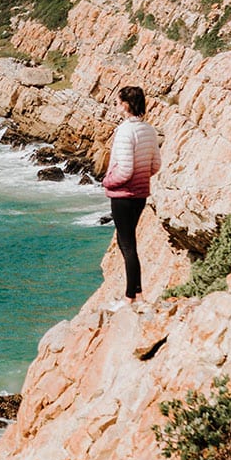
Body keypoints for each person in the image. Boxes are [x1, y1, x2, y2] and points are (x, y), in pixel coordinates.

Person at [102, 85, 161, 305]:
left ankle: (132, 297)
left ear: (126, 105)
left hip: (123, 195)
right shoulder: (149, 130)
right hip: (140, 194)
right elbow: (155, 165)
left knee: (127, 245)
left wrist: (107, 181)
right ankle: (136, 292)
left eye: (117, 102)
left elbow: (125, 170)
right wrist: (141, 177)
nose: (116, 106)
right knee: (126, 242)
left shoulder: (126, 131)